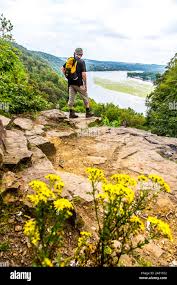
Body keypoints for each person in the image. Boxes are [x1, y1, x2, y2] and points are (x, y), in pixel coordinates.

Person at [61, 48, 94, 118]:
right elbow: (84, 74)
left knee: (71, 98)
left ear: (75, 53)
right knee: (85, 97)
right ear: (81, 54)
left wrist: (67, 77)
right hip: (79, 83)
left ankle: (71, 113)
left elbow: (62, 68)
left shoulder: (71, 60)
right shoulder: (82, 62)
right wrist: (85, 85)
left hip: (70, 83)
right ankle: (88, 113)